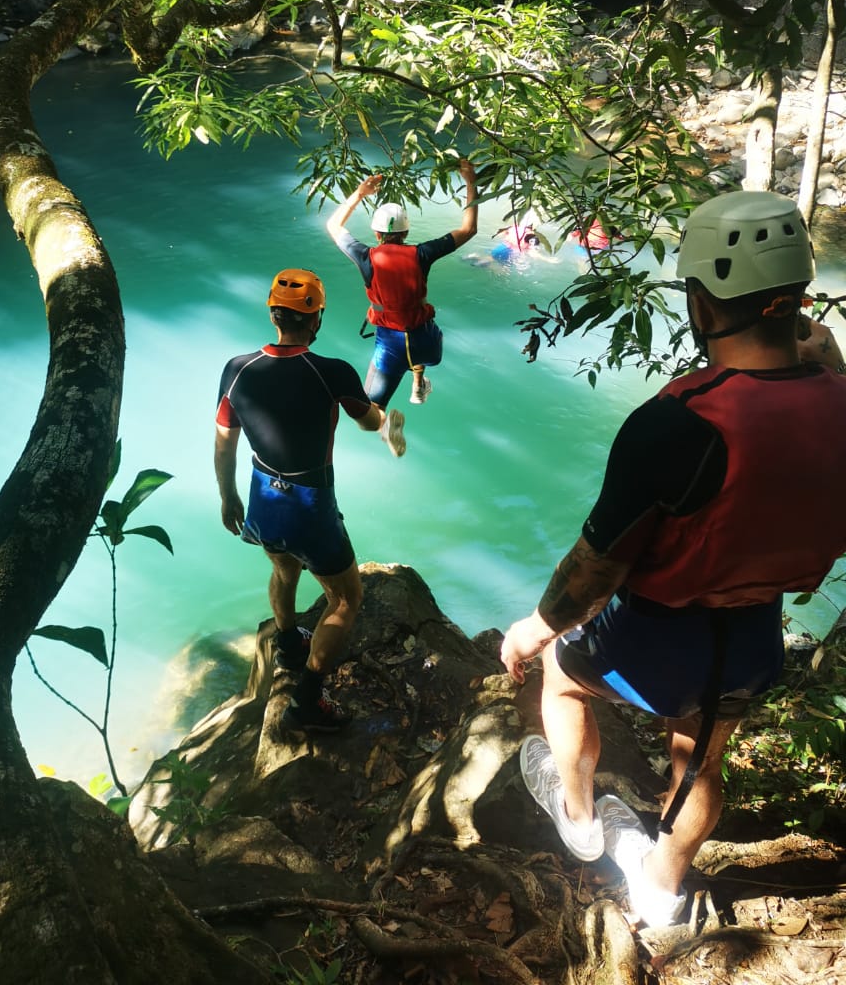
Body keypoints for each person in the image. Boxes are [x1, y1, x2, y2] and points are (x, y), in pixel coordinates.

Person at [499, 191, 846, 928]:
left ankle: (581, 817)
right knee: (703, 760)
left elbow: (598, 565)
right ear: (794, 302)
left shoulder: (677, 424)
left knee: (562, 680)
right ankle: (660, 885)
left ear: (702, 300)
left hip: (653, 640)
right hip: (754, 640)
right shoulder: (839, 397)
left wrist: (534, 627)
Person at [214, 269, 404, 733]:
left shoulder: (236, 370)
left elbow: (224, 442)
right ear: (315, 319)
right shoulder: (332, 371)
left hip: (261, 495)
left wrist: (228, 497)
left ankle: (287, 644)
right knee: (345, 599)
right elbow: (367, 421)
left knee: (283, 568)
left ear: (273, 314)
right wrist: (388, 419)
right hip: (309, 503)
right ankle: (305, 704)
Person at [326, 159, 478, 406]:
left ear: (376, 234)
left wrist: (360, 193)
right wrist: (471, 181)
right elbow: (469, 229)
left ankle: (387, 428)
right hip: (429, 345)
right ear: (406, 232)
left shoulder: (366, 257)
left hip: (391, 346)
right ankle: (418, 385)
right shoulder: (422, 254)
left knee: (369, 409)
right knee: (416, 325)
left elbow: (333, 225)